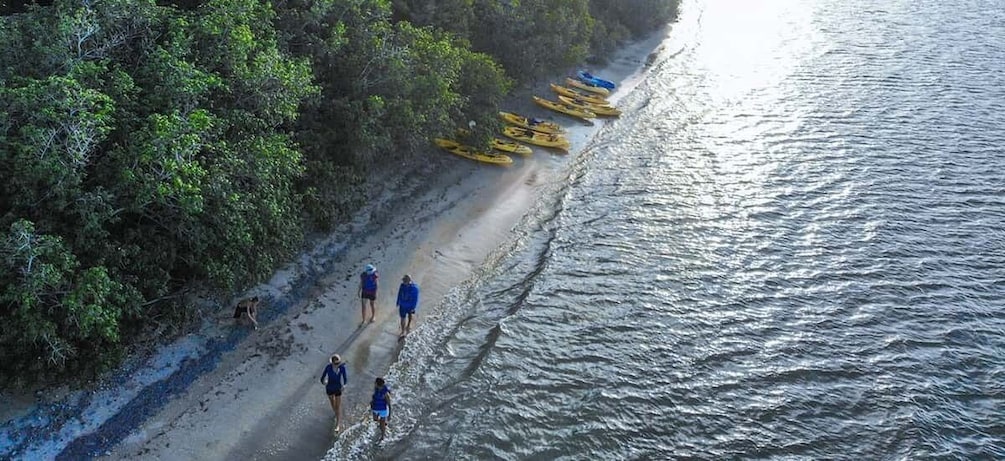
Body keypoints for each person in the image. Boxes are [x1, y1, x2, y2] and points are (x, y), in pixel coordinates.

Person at [319, 354, 348, 431]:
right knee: (332, 403)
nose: (337, 365)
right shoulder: (328, 367)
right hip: (329, 388)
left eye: (338, 363)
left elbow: (345, 378)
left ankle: (338, 424)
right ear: (332, 362)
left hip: (338, 388)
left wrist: (344, 386)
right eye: (335, 363)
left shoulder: (342, 368)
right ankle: (336, 414)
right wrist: (324, 382)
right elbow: (322, 377)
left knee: (338, 406)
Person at [395, 274, 419, 339]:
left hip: (410, 306)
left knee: (410, 315)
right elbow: (399, 293)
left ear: (408, 281)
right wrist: (398, 301)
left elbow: (415, 299)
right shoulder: (402, 286)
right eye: (403, 280)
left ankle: (408, 324)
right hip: (402, 305)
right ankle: (403, 331)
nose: (403, 282)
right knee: (402, 318)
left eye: (405, 281)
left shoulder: (414, 288)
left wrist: (413, 307)